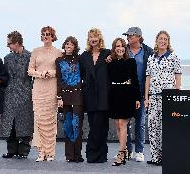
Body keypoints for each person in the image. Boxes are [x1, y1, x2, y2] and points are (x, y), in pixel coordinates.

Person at [144, 30, 182, 166]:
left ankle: (166, 156)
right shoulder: (151, 58)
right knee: (152, 127)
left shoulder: (173, 57)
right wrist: (146, 97)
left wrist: (177, 95)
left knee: (166, 128)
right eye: (161, 38)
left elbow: (178, 76)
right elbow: (148, 78)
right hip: (153, 97)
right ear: (157, 40)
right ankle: (155, 157)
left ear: (168, 41)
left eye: (165, 39)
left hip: (168, 96)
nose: (163, 41)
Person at [28, 26, 62, 162]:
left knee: (50, 121)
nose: (46, 36)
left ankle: (51, 152)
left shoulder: (58, 52)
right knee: (39, 120)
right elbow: (30, 70)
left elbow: (60, 70)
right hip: (38, 88)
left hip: (52, 88)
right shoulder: (35, 51)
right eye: (43, 34)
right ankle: (41, 152)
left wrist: (51, 73)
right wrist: (40, 74)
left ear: (53, 36)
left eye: (48, 34)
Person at [108, 38, 141, 166]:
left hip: (127, 95)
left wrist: (137, 98)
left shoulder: (131, 62)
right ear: (114, 48)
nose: (120, 48)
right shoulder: (110, 62)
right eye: (117, 46)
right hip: (114, 95)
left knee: (122, 123)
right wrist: (108, 59)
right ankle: (125, 150)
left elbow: (135, 81)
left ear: (125, 48)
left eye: (122, 46)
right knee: (117, 124)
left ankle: (121, 153)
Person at [122, 27, 153, 162]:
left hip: (141, 93)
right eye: (127, 35)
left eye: (130, 35)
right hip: (125, 93)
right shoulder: (124, 49)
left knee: (140, 123)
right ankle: (128, 150)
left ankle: (139, 151)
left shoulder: (148, 51)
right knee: (125, 123)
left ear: (139, 37)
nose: (128, 37)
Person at [1, 31, 34, 159]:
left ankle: (24, 151)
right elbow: (5, 76)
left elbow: (33, 76)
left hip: (25, 93)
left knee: (25, 122)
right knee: (11, 122)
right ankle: (11, 150)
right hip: (10, 93)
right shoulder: (7, 58)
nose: (8, 46)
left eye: (9, 43)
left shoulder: (30, 56)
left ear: (17, 43)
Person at [79, 28, 110, 163]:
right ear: (88, 39)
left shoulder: (108, 54)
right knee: (93, 126)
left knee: (102, 127)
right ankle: (91, 155)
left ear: (100, 38)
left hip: (104, 95)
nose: (93, 39)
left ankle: (101, 156)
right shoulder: (84, 56)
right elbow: (79, 75)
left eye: (96, 36)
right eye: (91, 37)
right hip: (90, 95)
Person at [55, 36, 84, 163]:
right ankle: (69, 156)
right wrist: (59, 96)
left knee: (77, 124)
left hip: (78, 95)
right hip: (65, 96)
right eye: (67, 44)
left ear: (75, 47)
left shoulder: (79, 59)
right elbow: (58, 79)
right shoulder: (59, 60)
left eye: (71, 44)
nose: (68, 46)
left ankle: (77, 155)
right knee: (67, 126)